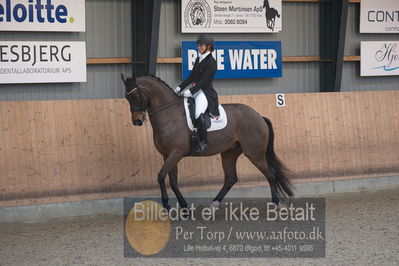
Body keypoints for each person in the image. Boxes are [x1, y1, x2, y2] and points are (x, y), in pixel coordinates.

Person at [174, 34, 220, 153]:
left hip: (204, 92)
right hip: (195, 90)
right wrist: (180, 87)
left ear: (208, 46)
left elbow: (204, 81)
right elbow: (191, 77)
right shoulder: (198, 59)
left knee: (198, 113)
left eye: (201, 45)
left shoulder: (212, 62)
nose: (198, 47)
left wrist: (191, 91)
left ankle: (204, 142)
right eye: (198, 45)